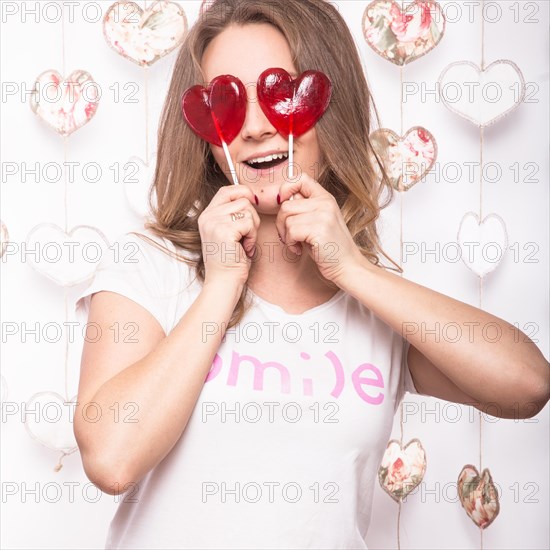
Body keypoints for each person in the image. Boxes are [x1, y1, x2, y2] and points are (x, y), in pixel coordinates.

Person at [73, 1, 550, 548]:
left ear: (330, 106)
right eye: (229, 104)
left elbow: (528, 385)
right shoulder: (148, 267)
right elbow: (111, 459)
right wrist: (223, 285)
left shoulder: (375, 308)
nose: (254, 127)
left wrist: (353, 270)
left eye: (280, 98)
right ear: (203, 129)